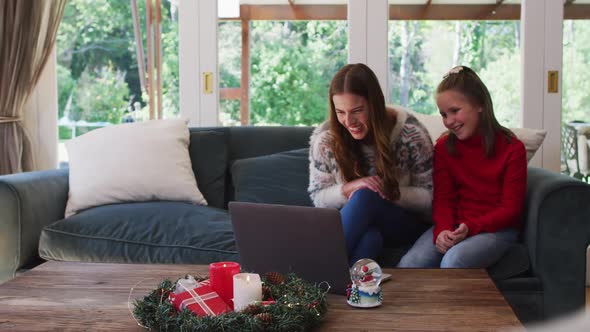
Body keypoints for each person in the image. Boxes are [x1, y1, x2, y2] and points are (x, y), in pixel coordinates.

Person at [398, 65, 527, 268]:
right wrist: (443, 230)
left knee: (453, 261)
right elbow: (444, 198)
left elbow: (510, 209)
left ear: (479, 104)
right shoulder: (443, 147)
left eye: (455, 111)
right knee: (409, 264)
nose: (449, 121)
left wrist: (471, 227)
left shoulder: (513, 148)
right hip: (455, 225)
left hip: (496, 230)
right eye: (443, 114)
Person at [308, 63, 434, 266]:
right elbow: (318, 198)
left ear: (374, 104)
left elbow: (430, 198)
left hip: (401, 223)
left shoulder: (411, 135)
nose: (349, 121)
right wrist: (351, 187)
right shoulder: (326, 140)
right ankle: (351, 292)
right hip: (357, 224)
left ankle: (314, 274)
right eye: (340, 112)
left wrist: (387, 192)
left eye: (357, 111)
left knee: (366, 195)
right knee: (370, 238)